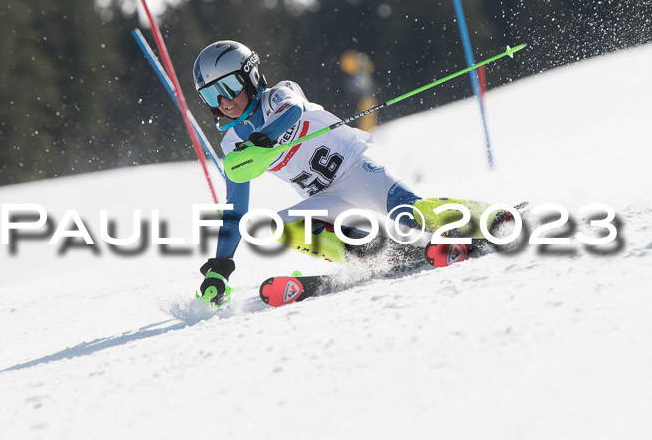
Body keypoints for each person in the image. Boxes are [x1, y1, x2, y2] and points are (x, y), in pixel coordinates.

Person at [193, 40, 508, 306]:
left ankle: (488, 219)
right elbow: (236, 212)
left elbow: (294, 112)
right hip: (324, 198)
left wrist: (263, 142)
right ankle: (379, 255)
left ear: (249, 77)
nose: (223, 102)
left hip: (356, 171)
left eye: (228, 87)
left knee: (408, 212)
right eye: (210, 95)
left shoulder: (279, 95)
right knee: (272, 226)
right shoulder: (233, 144)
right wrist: (221, 266)